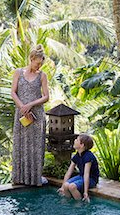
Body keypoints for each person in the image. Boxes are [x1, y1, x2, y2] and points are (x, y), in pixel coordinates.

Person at [11, 44, 49, 186]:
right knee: (21, 144)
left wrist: (31, 104)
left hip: (36, 115)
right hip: (21, 114)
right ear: (31, 59)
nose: (39, 66)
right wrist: (22, 106)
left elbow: (46, 97)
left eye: (41, 64)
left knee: (35, 146)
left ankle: (34, 178)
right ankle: (20, 178)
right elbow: (13, 92)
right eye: (37, 63)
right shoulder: (18, 73)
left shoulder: (42, 76)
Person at [58, 134, 99, 202]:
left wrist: (85, 192)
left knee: (72, 186)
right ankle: (69, 203)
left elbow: (86, 174)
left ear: (82, 145)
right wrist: (62, 187)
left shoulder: (88, 156)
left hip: (91, 179)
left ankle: (79, 205)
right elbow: (69, 171)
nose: (74, 140)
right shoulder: (77, 155)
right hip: (81, 176)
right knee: (65, 185)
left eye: (77, 140)